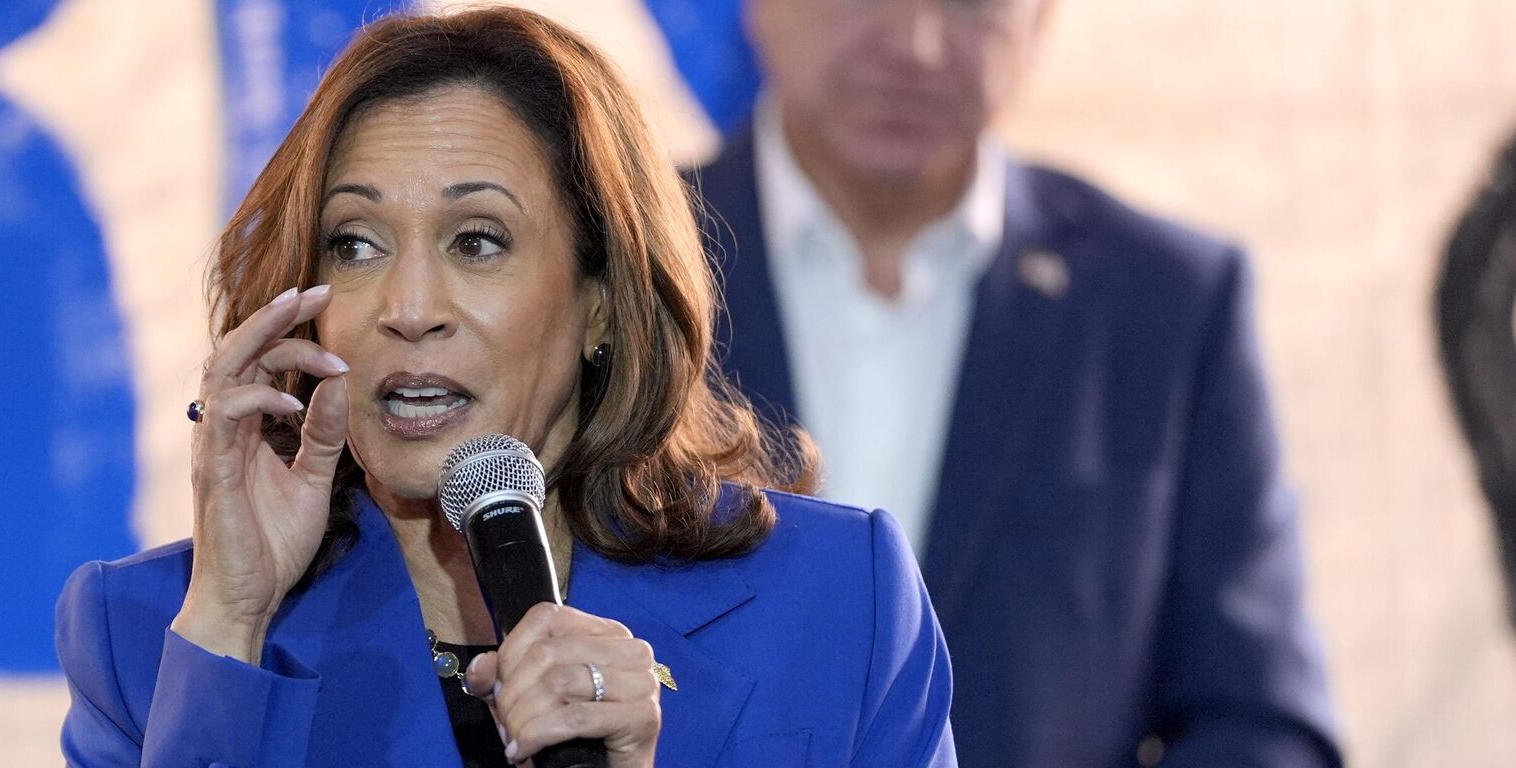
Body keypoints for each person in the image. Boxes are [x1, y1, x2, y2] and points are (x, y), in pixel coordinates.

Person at [54, 8, 957, 767]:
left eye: (478, 241)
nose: (407, 308)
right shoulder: (148, 643)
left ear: (602, 301)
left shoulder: (838, 606)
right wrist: (232, 616)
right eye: (356, 244)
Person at [690, 1, 1341, 766]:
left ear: (1042, 22)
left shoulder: (1165, 306)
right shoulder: (605, 273)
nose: (913, 44)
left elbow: (1259, 719)